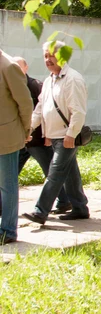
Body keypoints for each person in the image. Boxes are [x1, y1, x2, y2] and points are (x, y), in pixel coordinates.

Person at [23, 41, 90, 225]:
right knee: (70, 173)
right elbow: (39, 109)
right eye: (45, 56)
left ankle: (40, 211)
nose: (47, 59)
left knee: (55, 173)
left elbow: (78, 111)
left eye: (51, 55)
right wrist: (28, 128)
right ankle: (80, 207)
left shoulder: (73, 79)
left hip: (66, 136)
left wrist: (71, 134)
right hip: (55, 136)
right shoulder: (49, 80)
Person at [0, 57, 71, 216]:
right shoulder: (10, 81)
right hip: (20, 138)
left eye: (19, 67)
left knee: (51, 172)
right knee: (8, 175)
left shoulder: (34, 85)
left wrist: (45, 135)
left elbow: (44, 110)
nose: (16, 69)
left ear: (26, 67)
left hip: (36, 139)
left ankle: (63, 201)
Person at [0, 49, 32, 244]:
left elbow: (25, 102)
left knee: (7, 183)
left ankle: (8, 230)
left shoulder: (9, 66)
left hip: (6, 135)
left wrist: (25, 129)